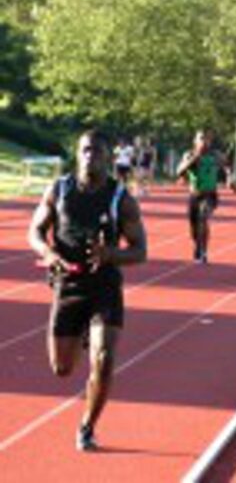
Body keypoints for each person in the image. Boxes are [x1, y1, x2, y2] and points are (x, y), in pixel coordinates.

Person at [28, 130, 147, 451]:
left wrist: (111, 254)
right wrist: (47, 252)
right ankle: (82, 335)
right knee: (62, 368)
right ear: (76, 153)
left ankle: (87, 427)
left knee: (105, 358)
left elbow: (140, 251)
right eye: (84, 150)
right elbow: (35, 231)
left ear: (109, 157)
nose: (89, 156)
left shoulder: (121, 199)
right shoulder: (60, 189)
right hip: (67, 285)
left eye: (96, 151)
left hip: (104, 286)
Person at [176, 128, 236, 263]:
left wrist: (229, 177)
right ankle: (197, 244)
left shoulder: (215, 155)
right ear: (195, 141)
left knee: (203, 217)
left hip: (210, 194)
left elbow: (227, 165)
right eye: (201, 138)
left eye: (207, 139)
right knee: (193, 229)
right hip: (194, 195)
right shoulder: (189, 155)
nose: (204, 141)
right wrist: (193, 161)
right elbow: (179, 171)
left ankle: (203, 251)